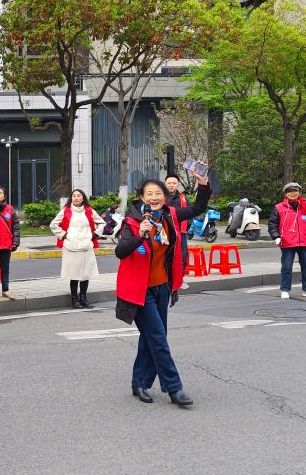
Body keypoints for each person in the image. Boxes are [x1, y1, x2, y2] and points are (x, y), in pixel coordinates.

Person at [115, 167, 211, 408]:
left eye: (158, 193)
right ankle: (174, 388)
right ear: (142, 197)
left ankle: (139, 382)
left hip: (162, 288)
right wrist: (140, 235)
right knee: (158, 338)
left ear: (165, 197)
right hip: (140, 292)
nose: (154, 198)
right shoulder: (132, 222)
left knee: (152, 337)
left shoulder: (170, 215)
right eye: (149, 194)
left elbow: (198, 208)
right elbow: (121, 251)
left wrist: (203, 183)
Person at [268, 182, 306, 301]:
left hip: (304, 241)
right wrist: (276, 236)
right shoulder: (278, 208)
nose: (293, 193)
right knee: (287, 267)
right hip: (287, 242)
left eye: (295, 191)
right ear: (285, 194)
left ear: (299, 192)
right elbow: (272, 224)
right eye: (290, 191)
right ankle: (284, 289)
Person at [49, 188, 99, 309]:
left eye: (79, 196)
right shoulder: (66, 210)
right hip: (71, 247)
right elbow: (53, 225)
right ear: (71, 198)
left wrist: (95, 234)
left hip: (86, 246)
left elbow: (102, 223)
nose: (76, 198)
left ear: (83, 198)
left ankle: (83, 298)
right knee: (74, 275)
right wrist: (64, 235)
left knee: (86, 275)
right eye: (74, 196)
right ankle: (74, 300)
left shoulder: (89, 210)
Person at [165, 175, 190, 287]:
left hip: (180, 232)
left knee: (181, 256)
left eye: (174, 183)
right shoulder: (161, 197)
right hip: (164, 232)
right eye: (169, 183)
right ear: (165, 184)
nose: (171, 185)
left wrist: (187, 226)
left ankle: (180, 279)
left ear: (178, 184)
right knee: (164, 255)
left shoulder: (183, 198)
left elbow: (190, 212)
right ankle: (165, 279)